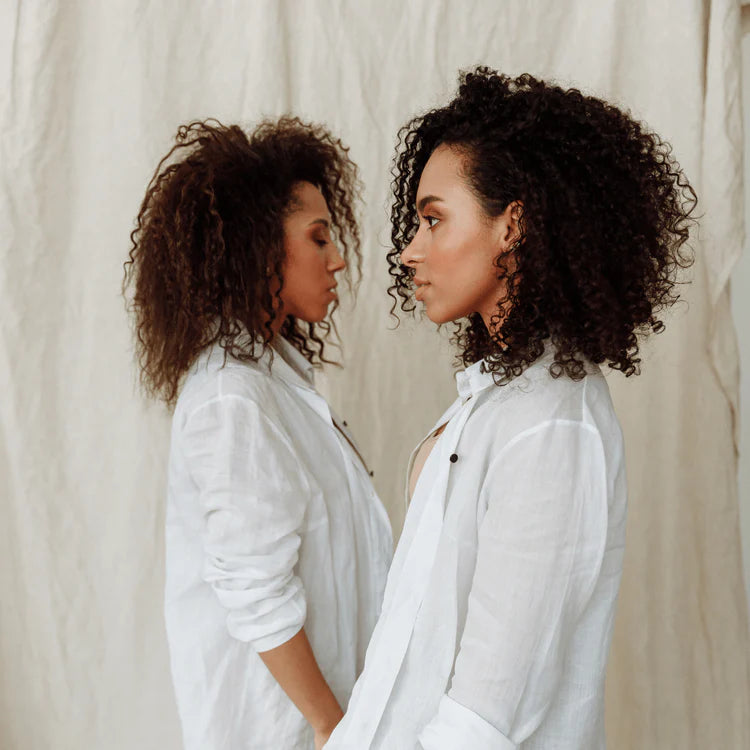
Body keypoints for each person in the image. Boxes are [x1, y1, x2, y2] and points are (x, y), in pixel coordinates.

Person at [325, 69, 696, 749]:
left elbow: (488, 712)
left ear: (512, 226)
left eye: (433, 219)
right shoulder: (497, 400)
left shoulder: (552, 425)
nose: (409, 250)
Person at [123, 118, 392, 750]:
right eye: (318, 237)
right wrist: (332, 724)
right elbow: (256, 589)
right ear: (257, 246)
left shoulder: (270, 383)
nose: (339, 257)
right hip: (277, 732)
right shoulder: (232, 396)